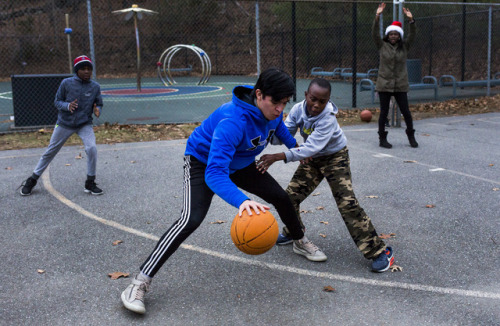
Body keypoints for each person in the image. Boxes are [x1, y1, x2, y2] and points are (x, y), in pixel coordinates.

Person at [120, 68, 326, 315]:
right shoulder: (233, 121)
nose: (280, 108)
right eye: (276, 102)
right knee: (190, 219)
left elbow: (277, 127)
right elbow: (215, 173)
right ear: (259, 95)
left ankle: (299, 240)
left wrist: (296, 147)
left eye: (284, 103)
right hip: (203, 162)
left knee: (281, 197)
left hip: (240, 162)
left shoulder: (271, 110)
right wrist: (242, 202)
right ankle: (138, 283)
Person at [256, 78, 394, 273]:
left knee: (347, 203)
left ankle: (379, 251)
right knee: (289, 198)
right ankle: (294, 231)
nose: (317, 105)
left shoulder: (328, 117)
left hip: (334, 158)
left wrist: (278, 157)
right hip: (312, 159)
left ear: (328, 100)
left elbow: (311, 148)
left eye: (322, 101)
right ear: (306, 95)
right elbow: (283, 135)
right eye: (313, 99)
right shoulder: (297, 109)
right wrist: (268, 124)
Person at [19, 55, 104, 196]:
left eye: (89, 69)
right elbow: (57, 101)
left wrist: (97, 110)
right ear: (77, 70)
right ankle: (32, 180)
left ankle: (90, 182)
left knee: (92, 148)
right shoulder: (66, 83)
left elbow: (99, 103)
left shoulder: (95, 87)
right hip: (64, 123)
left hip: (84, 124)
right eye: (83, 69)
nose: (87, 72)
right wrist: (67, 106)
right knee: (50, 151)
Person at [373, 2, 418, 148]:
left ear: (399, 36)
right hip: (384, 84)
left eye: (396, 34)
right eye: (391, 34)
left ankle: (411, 136)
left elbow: (413, 35)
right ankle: (382, 139)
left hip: (400, 84)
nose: (393, 36)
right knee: (383, 112)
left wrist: (411, 21)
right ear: (388, 35)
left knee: (406, 111)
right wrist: (377, 16)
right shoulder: (382, 45)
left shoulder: (405, 47)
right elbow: (374, 33)